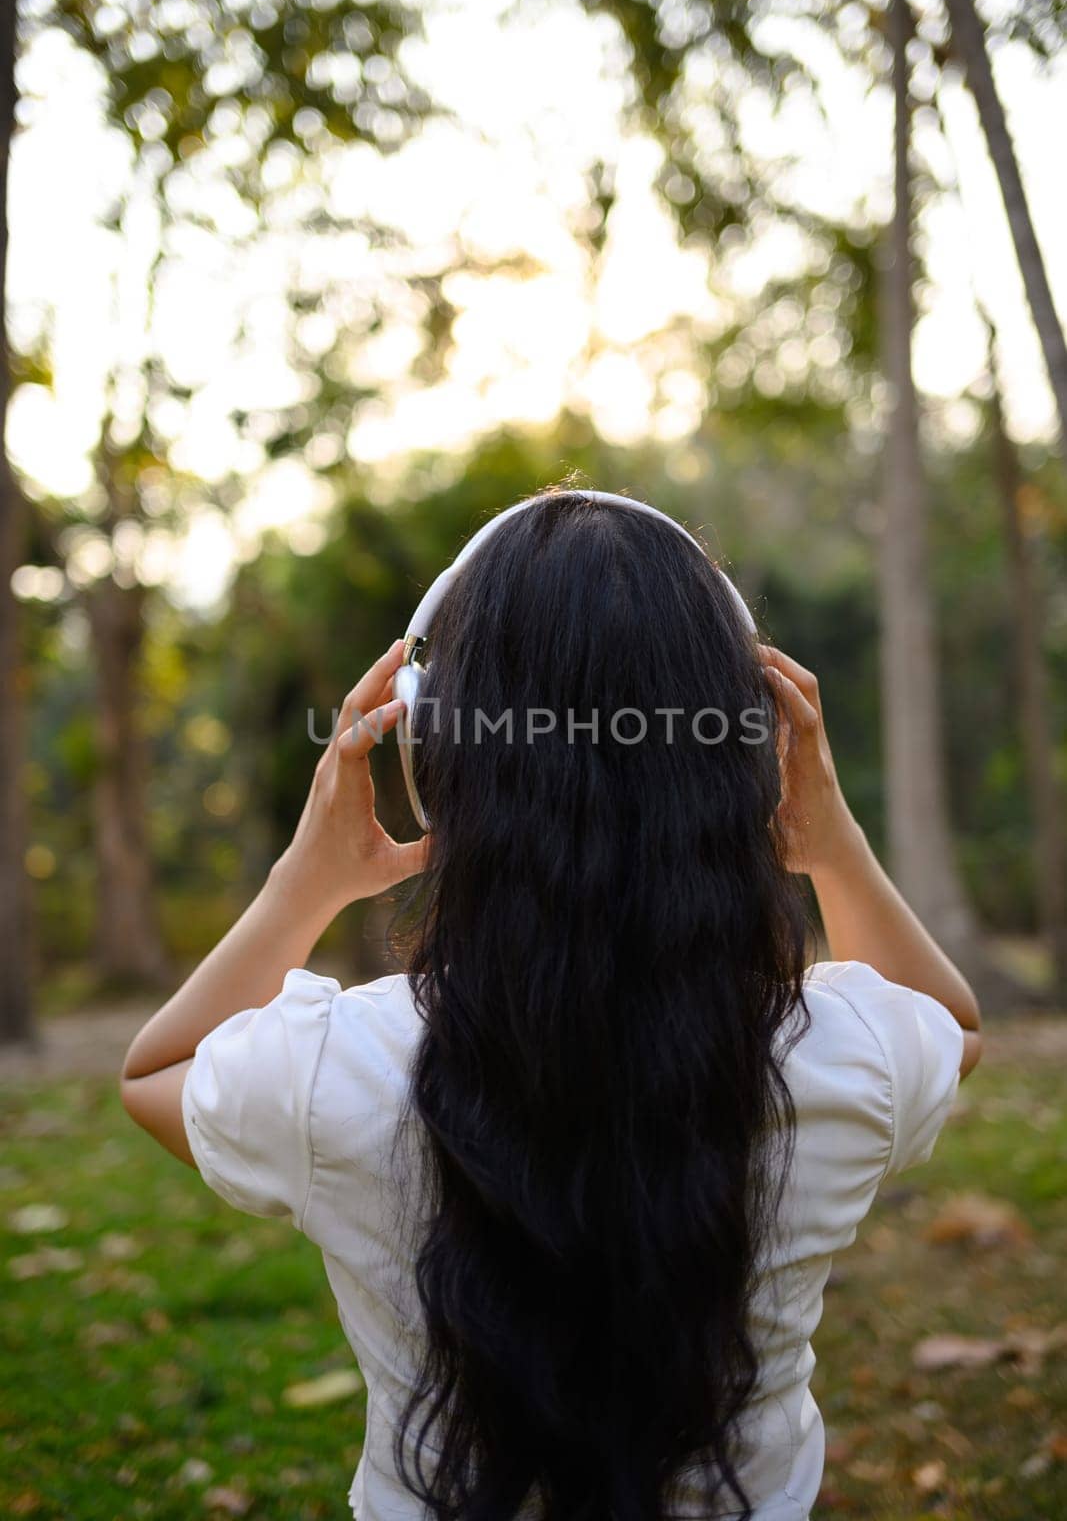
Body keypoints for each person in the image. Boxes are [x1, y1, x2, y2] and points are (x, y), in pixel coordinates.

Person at [121, 490, 982, 1521]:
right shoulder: (841, 1062)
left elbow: (152, 1074)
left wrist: (303, 882)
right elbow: (951, 1025)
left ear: (433, 755)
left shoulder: (335, 1073)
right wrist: (827, 839)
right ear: (743, 759)